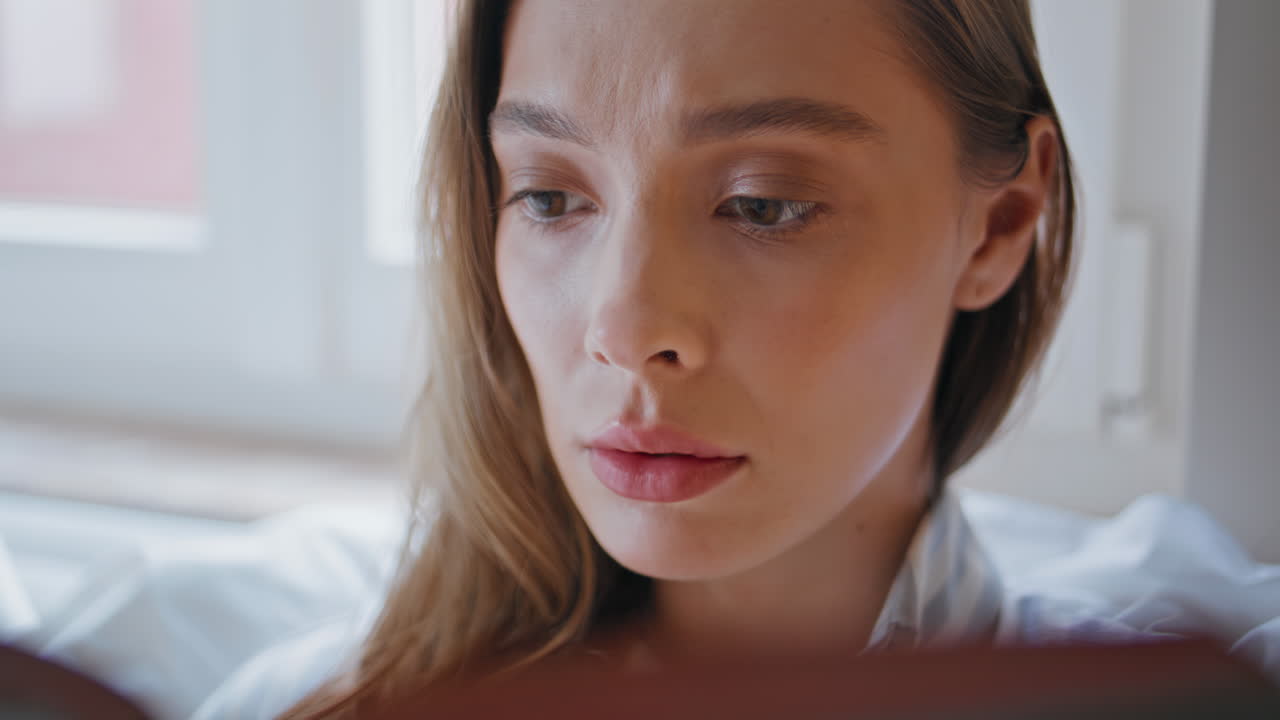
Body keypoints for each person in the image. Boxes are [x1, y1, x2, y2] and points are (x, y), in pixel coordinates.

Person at [277, 0, 1089, 716]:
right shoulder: (340, 695)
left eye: (763, 204)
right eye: (550, 199)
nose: (623, 330)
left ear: (999, 226)